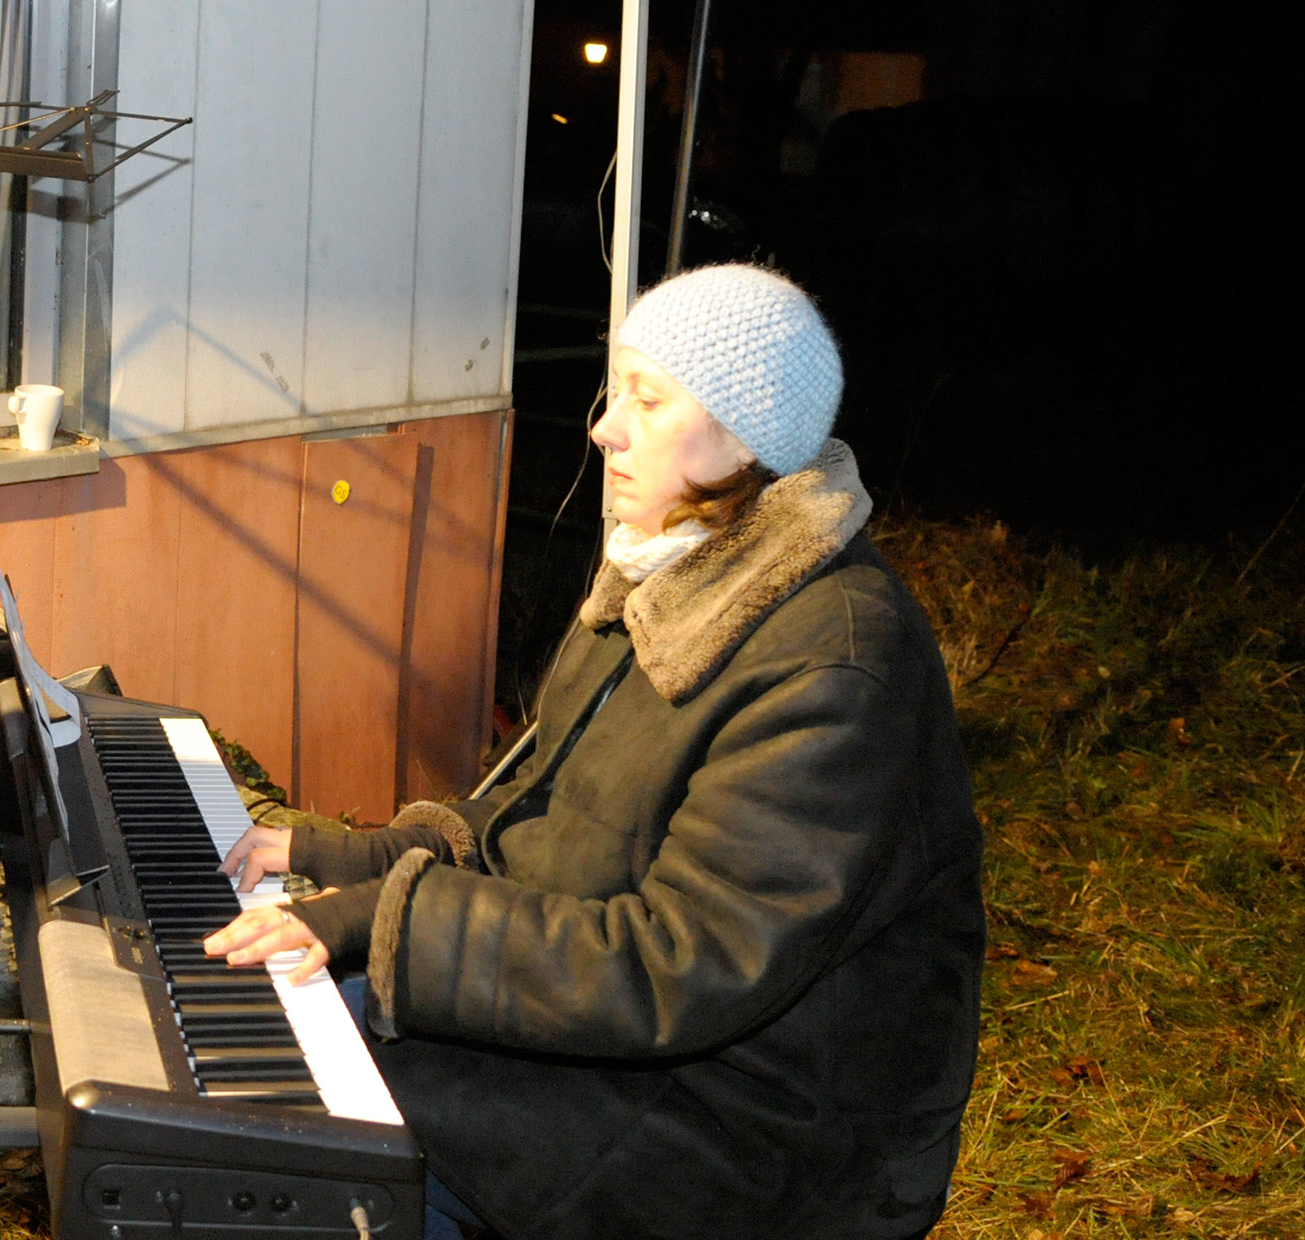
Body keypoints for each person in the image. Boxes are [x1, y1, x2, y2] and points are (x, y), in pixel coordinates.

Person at [206, 264, 985, 1240]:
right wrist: (347, 862)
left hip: (747, 1131)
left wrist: (385, 919)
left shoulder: (832, 666)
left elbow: (676, 964)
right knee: (269, 1045)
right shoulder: (661, 566)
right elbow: (541, 815)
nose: (602, 427)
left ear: (743, 438)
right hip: (630, 1046)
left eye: (646, 400)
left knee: (325, 1133)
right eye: (614, 389)